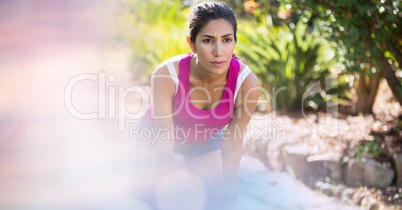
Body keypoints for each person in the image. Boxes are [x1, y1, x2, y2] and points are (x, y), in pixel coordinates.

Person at [137, 1, 260, 209]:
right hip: (156, 137)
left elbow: (232, 143)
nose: (218, 51)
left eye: (227, 40)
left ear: (234, 42)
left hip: (203, 140)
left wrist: (228, 191)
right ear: (192, 44)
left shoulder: (247, 83)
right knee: (153, 198)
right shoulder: (167, 75)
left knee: (214, 199)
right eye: (208, 40)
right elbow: (164, 142)